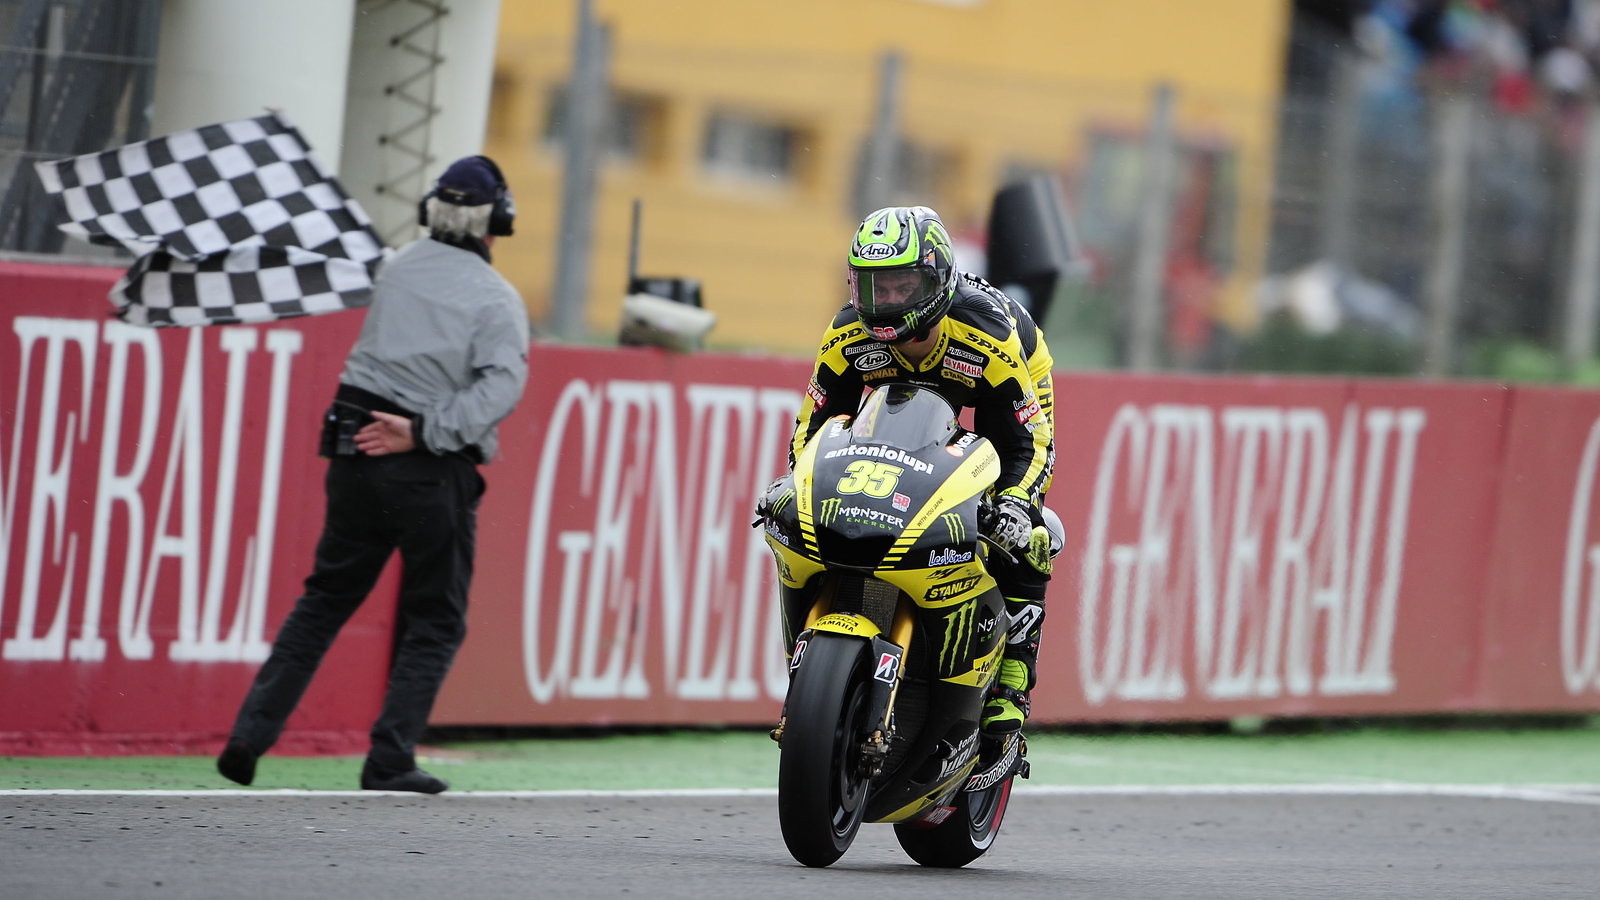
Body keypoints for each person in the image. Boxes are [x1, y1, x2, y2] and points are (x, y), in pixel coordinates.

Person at [216, 156, 530, 793]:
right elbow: (504, 385)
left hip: (353, 450)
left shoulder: (397, 267)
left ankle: (250, 734)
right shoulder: (496, 297)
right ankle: (389, 756)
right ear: (496, 221)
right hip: (426, 470)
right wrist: (426, 431)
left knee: (325, 599)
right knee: (436, 619)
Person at [789, 205, 1058, 735]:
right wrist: (799, 484)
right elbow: (811, 428)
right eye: (873, 288)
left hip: (1016, 377)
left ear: (934, 280)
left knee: (1026, 532)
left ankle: (1011, 680)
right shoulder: (846, 333)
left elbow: (1032, 441)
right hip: (905, 413)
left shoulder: (987, 335)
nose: (885, 302)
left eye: (900, 286)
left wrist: (1015, 504)